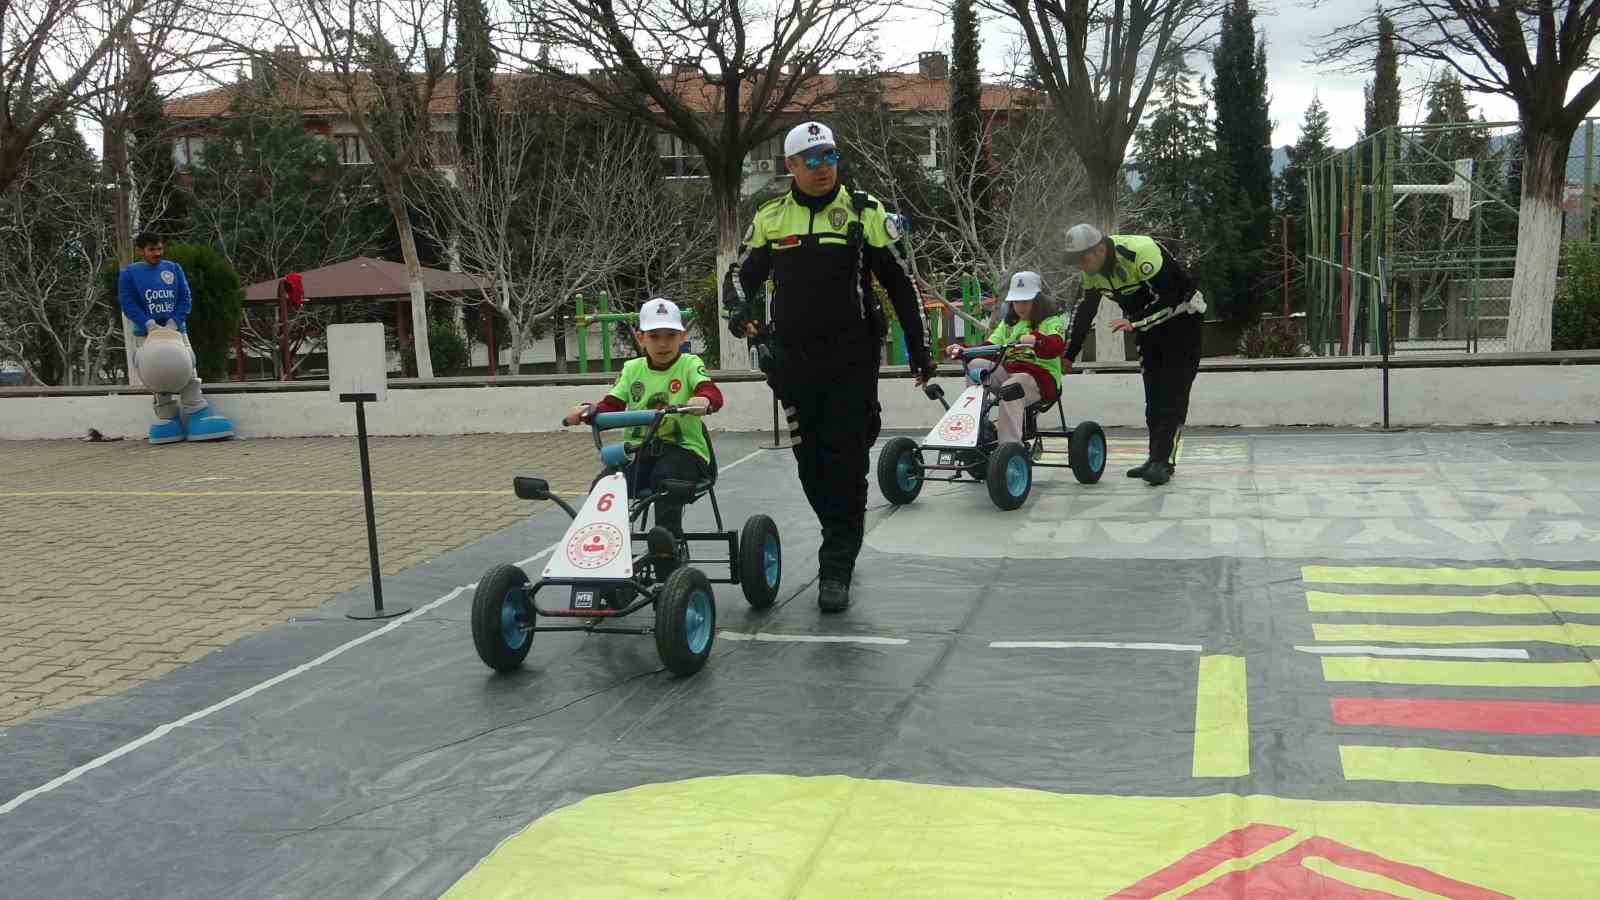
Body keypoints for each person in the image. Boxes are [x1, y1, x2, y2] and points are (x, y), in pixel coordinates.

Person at [724, 120, 935, 613]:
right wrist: (742, 312)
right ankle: (837, 529)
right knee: (811, 465)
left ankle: (835, 565)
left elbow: (903, 286)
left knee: (845, 462)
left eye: (831, 156)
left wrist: (920, 352)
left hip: (852, 356)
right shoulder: (772, 217)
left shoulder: (864, 212)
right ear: (791, 166)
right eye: (812, 160)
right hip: (793, 363)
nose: (824, 168)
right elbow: (739, 278)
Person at [564, 298, 722, 549]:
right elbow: (611, 404)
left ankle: (667, 551)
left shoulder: (690, 364)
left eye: (670, 335)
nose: (662, 343)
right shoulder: (632, 369)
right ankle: (603, 551)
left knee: (666, 479)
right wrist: (587, 410)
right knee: (605, 485)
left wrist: (703, 399)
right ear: (641, 338)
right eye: (654, 336)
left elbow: (710, 391)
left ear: (682, 336)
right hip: (640, 453)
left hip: (685, 453)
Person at [1060, 224, 1202, 486]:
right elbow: (1083, 313)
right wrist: (1069, 354)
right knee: (1153, 396)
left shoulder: (1140, 252)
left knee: (1172, 394)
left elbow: (1169, 297)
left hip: (1183, 321)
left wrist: (1135, 321)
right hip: (1147, 327)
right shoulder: (1091, 273)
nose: (1080, 265)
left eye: (1083, 258)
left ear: (1100, 249)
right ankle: (1154, 458)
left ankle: (1163, 462)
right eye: (1075, 261)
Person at [117, 232, 234, 444]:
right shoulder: (129, 274)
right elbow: (128, 303)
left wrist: (174, 321)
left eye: (160, 249)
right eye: (152, 249)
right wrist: (148, 323)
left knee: (188, 368)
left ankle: (197, 412)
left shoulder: (173, 268)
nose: (157, 253)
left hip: (177, 331)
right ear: (140, 251)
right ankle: (167, 419)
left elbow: (184, 297)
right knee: (155, 375)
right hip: (147, 335)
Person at [943, 270, 1066, 449]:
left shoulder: (1051, 321)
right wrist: (963, 350)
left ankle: (1009, 449)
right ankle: (979, 429)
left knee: (1011, 389)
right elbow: (989, 348)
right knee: (976, 366)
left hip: (1041, 377)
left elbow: (1056, 347)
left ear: (1038, 301)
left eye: (1026, 301)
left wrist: (1036, 339)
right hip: (1010, 373)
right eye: (1017, 301)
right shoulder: (1009, 324)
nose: (1021, 306)